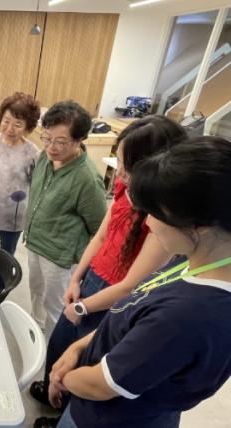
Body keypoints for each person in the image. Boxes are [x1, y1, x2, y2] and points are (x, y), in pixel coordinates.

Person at [49, 136, 231, 428]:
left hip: (109, 418)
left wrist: (62, 378)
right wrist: (77, 348)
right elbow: (129, 316)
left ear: (201, 227)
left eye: (156, 214)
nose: (148, 223)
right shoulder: (195, 260)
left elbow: (100, 385)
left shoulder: (187, 315)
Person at [30, 116, 187, 428]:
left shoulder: (162, 220)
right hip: (91, 282)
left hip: (112, 300)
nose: (120, 171)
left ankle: (62, 405)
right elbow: (100, 237)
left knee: (86, 363)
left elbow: (130, 287)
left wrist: (82, 307)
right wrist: (76, 279)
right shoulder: (124, 189)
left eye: (127, 165)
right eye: (120, 160)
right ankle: (54, 395)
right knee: (61, 346)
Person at [23, 101, 107, 338]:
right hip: (35, 242)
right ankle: (36, 328)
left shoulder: (87, 179)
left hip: (59, 257)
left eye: (60, 141)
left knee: (55, 308)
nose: (51, 147)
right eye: (47, 138)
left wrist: (81, 273)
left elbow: (99, 228)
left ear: (80, 139)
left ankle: (51, 346)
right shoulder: (44, 157)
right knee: (36, 291)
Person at [0, 92, 40, 294]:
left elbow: (35, 184)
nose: (10, 128)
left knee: (6, 258)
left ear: (28, 127)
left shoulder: (32, 153)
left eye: (18, 124)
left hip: (13, 216)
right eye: (6, 121)